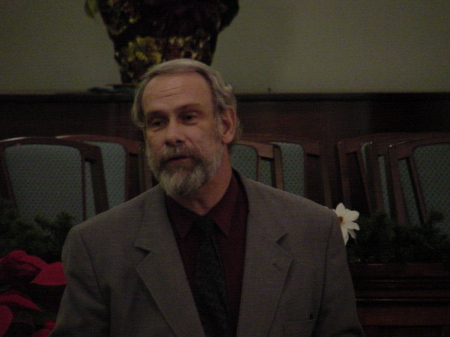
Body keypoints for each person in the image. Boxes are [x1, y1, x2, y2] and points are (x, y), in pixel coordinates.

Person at [51, 59, 364, 337]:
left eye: (188, 117)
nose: (171, 136)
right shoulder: (97, 246)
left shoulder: (311, 231)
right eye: (157, 122)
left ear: (225, 125)